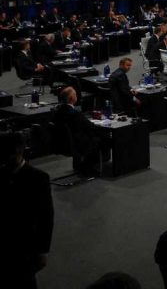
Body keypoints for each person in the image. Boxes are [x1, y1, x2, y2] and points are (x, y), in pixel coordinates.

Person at [0, 132, 54, 289]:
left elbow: (46, 217)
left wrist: (43, 251)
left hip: (25, 244)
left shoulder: (39, 178)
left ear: (19, 151)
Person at [52, 86, 101, 174]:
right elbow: (90, 126)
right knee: (97, 138)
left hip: (62, 142)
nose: (76, 96)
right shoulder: (75, 113)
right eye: (75, 94)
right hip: (76, 143)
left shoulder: (57, 111)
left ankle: (78, 164)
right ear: (72, 98)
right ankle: (88, 167)